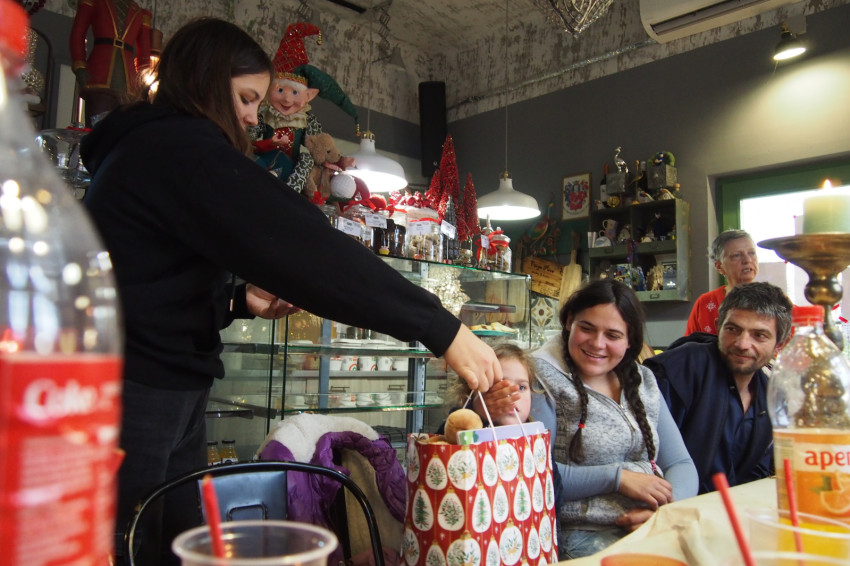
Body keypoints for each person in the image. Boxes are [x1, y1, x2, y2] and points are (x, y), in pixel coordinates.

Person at [79, 18, 501, 564]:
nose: (253, 117)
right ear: (205, 82)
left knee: (171, 546)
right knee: (123, 547)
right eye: (245, 98)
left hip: (156, 384)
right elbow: (310, 249)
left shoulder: (147, 148)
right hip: (135, 391)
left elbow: (144, 285)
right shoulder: (180, 147)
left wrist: (236, 301)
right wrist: (441, 328)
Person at [529, 279, 698, 559]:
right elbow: (540, 475)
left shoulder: (642, 380)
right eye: (587, 328)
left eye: (613, 335)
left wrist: (666, 511)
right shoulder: (539, 378)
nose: (597, 343)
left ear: (630, 340)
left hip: (652, 525)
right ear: (569, 322)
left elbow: (680, 463)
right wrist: (617, 478)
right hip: (582, 534)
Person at [644, 282, 792, 494]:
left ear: (779, 345)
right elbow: (642, 453)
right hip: (667, 501)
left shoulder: (769, 394)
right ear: (718, 326)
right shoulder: (682, 368)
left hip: (730, 507)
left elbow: (757, 472)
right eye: (733, 329)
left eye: (759, 335)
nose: (742, 343)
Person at [70, 0, 151, 126]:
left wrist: (143, 84)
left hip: (128, 84)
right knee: (97, 125)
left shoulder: (141, 14)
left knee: (123, 128)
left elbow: (144, 53)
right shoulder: (97, 2)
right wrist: (80, 65)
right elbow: (78, 34)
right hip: (99, 74)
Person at [685, 229, 759, 335]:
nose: (748, 260)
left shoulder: (774, 300)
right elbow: (690, 343)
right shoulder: (705, 303)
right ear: (719, 266)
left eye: (752, 253)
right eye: (736, 255)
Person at [447, 343, 535, 426]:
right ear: (470, 391)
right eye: (500, 385)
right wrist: (478, 412)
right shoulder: (457, 424)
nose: (511, 394)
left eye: (521, 387)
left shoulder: (537, 433)